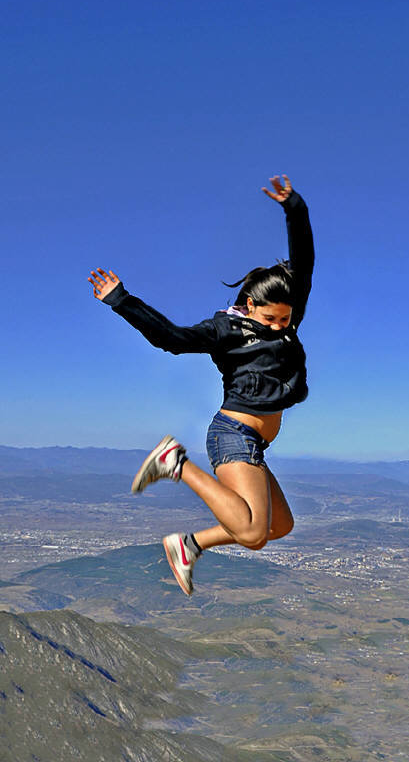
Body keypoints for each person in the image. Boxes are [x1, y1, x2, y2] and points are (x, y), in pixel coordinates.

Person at [88, 175, 314, 595]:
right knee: (250, 533)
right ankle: (175, 462)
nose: (280, 326)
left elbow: (304, 260)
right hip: (233, 435)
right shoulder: (225, 329)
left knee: (278, 527)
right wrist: (122, 301)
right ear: (250, 305)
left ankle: (189, 544)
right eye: (271, 319)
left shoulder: (287, 318)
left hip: (254, 444)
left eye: (285, 319)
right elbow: (170, 339)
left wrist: (294, 207)